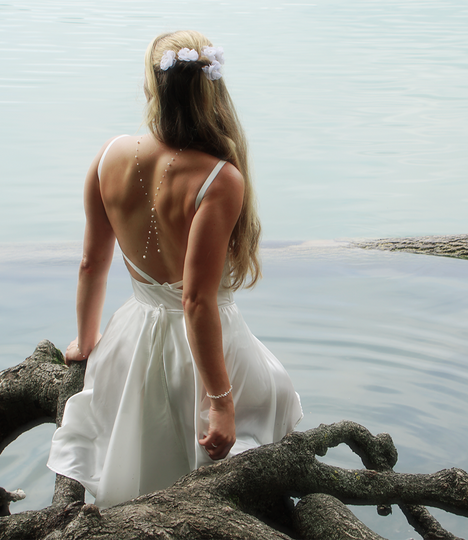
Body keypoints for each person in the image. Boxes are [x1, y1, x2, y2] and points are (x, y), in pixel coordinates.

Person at [47, 30, 303, 508]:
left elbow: (91, 263)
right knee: (272, 400)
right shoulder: (219, 178)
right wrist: (220, 402)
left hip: (131, 341)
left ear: (151, 88)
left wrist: (85, 343)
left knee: (137, 471)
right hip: (203, 353)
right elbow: (196, 300)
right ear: (211, 92)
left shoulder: (109, 156)